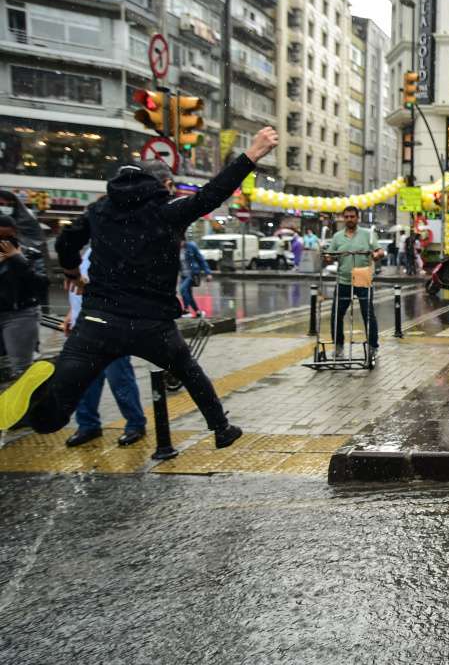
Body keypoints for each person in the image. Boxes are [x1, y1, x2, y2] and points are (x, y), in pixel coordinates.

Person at [0, 127, 280, 446]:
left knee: (53, 418)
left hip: (97, 323)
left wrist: (73, 273)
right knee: (187, 369)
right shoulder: (168, 212)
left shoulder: (98, 212)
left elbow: (65, 242)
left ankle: (40, 401)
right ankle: (220, 428)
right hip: (151, 325)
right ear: (158, 185)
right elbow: (212, 194)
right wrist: (252, 154)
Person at [62, 247, 145, 448]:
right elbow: (78, 291)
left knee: (119, 378)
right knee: (84, 380)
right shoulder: (88, 251)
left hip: (111, 326)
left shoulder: (118, 250)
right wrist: (71, 314)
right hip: (84, 326)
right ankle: (87, 425)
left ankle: (135, 423)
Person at [325, 206, 384, 360]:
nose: (349, 219)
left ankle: (372, 347)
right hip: (343, 281)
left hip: (363, 280)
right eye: (347, 217)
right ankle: (338, 347)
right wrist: (328, 257)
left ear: (357, 218)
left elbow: (379, 250)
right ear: (344, 218)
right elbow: (330, 254)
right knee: (336, 315)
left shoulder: (368, 234)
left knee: (368, 315)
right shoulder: (337, 237)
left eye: (352, 216)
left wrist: (377, 255)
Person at [0, 214, 47, 378]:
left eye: (7, 237)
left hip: (19, 314)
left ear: (15, 233)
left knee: (21, 370)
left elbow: (41, 283)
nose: (3, 243)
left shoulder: (30, 254)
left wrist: (18, 259)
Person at [178, 238, 211, 318]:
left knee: (183, 290)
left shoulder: (191, 246)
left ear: (184, 240)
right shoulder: (177, 249)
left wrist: (208, 273)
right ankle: (198, 312)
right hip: (183, 275)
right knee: (187, 293)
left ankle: (186, 310)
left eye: (180, 241)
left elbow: (201, 260)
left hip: (192, 274)